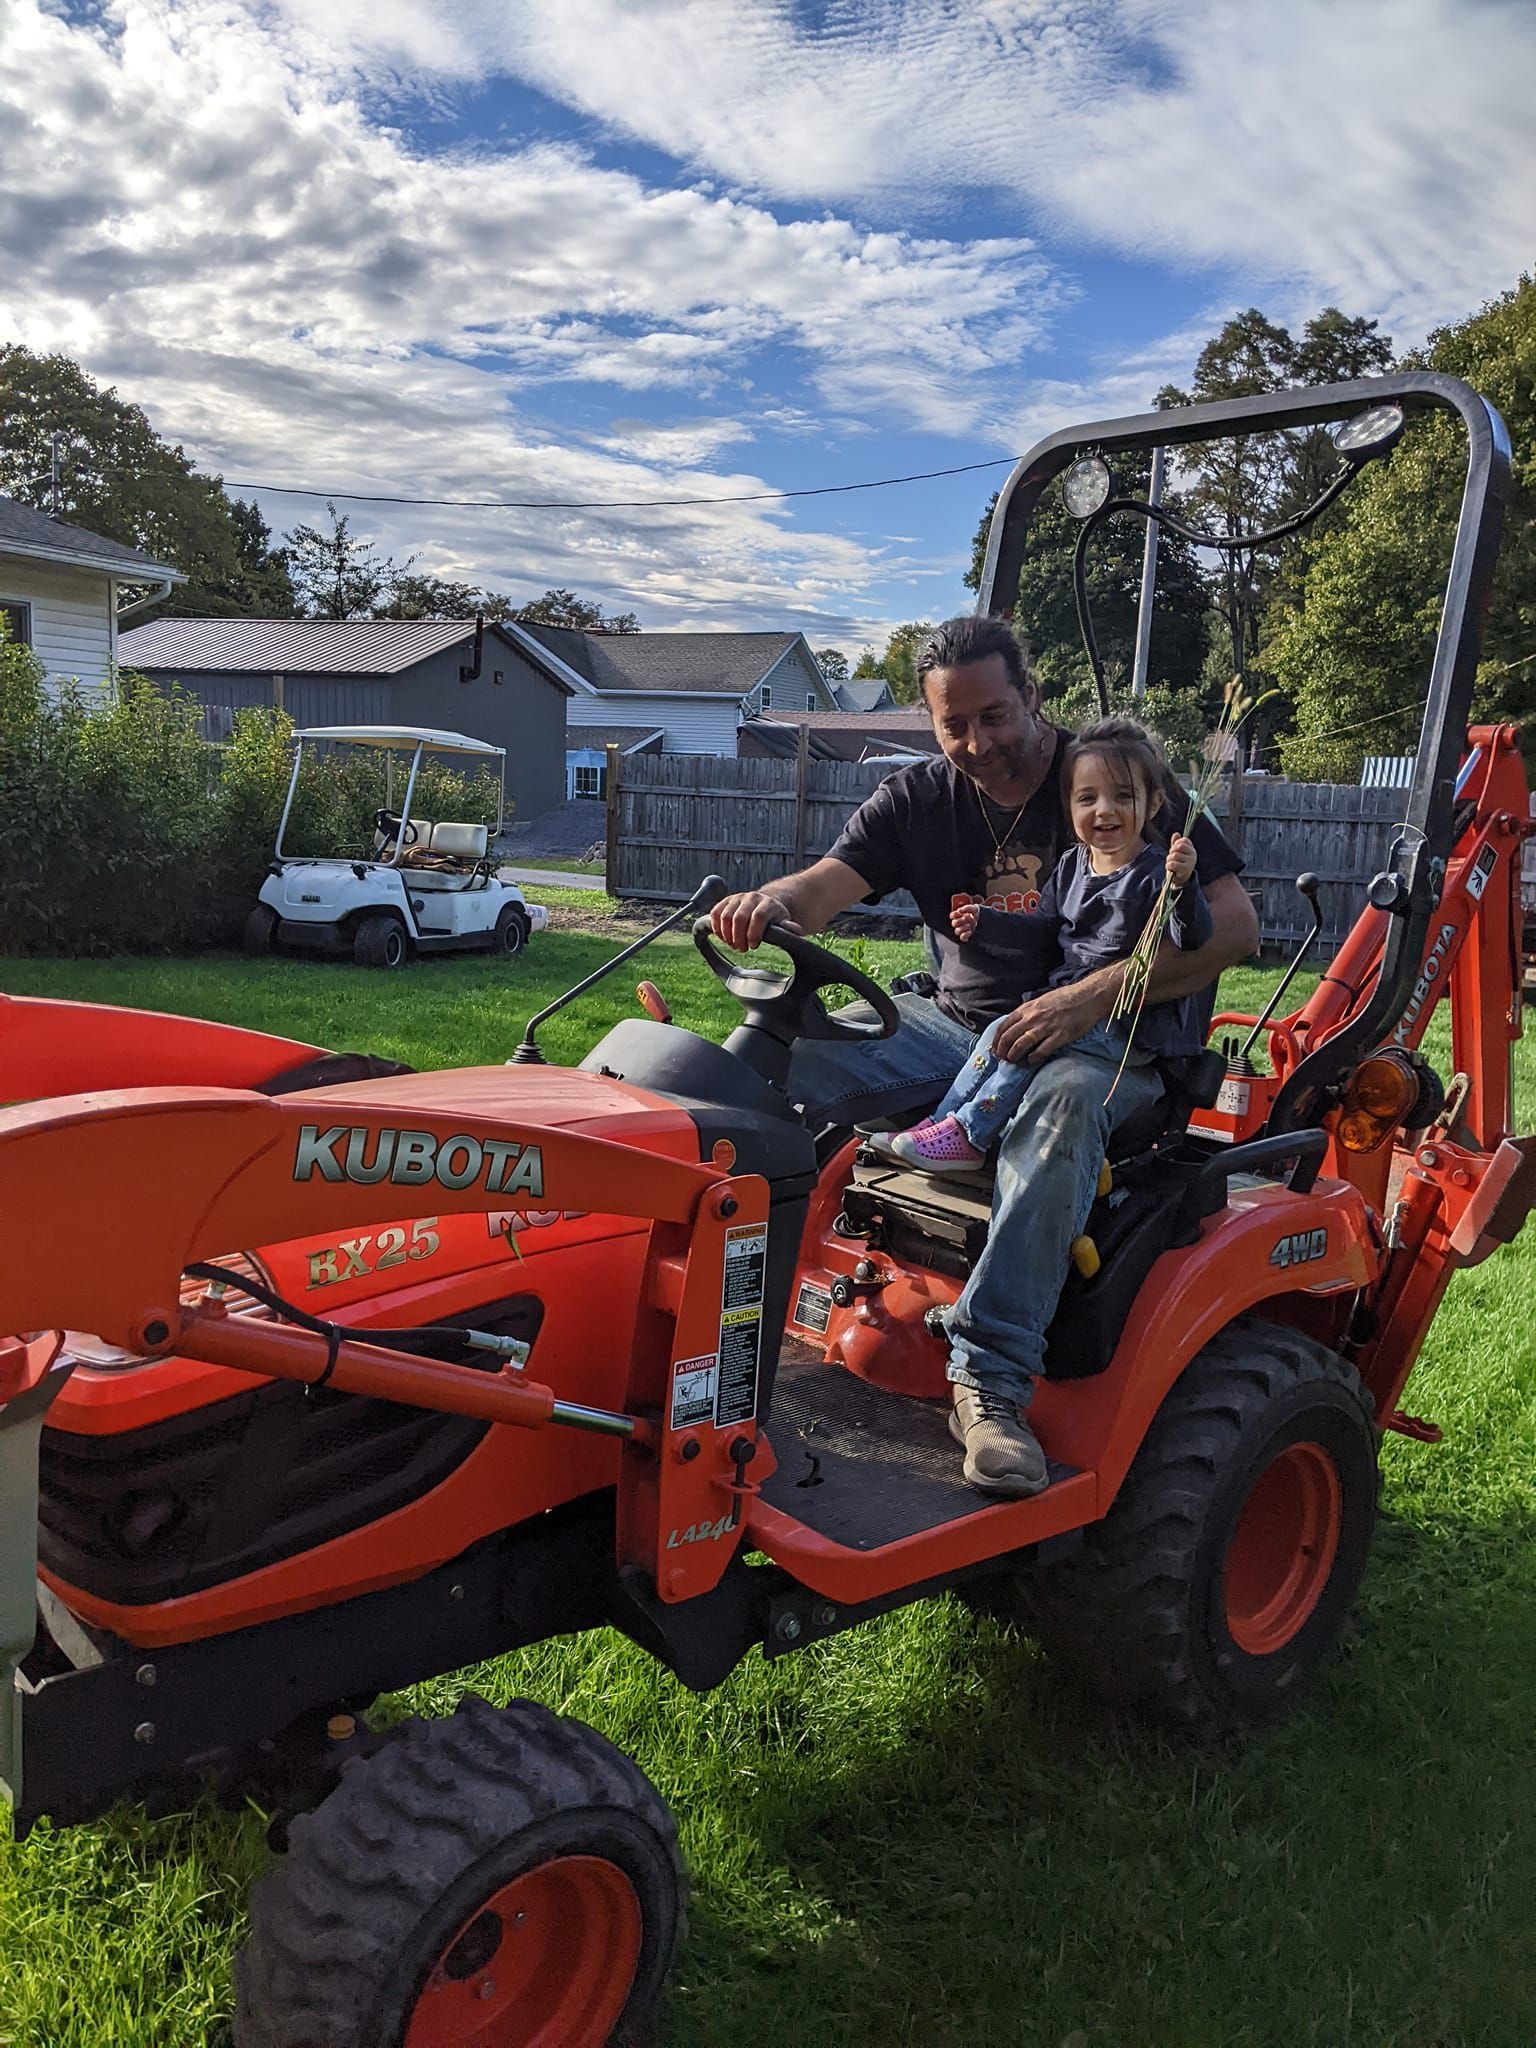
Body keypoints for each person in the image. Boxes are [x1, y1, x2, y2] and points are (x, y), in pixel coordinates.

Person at [710, 615, 1257, 1499]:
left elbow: (1236, 926)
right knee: (757, 1070)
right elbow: (818, 890)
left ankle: (991, 1380)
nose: (977, 742)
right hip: (955, 1025)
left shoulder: (1108, 777)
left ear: (1031, 697)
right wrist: (762, 904)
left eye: (995, 716)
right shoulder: (916, 799)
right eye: (953, 725)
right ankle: (733, 1323)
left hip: (1108, 1040)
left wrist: (1094, 994)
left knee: (1061, 1105)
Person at [886, 721, 1212, 1180]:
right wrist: (987, 923)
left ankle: (972, 1135)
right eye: (1088, 798)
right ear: (1070, 807)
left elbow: (1193, 937)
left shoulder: (1155, 872)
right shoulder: (1072, 865)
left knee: (1028, 1041)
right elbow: (1043, 931)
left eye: (1123, 796)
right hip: (1070, 1007)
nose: (1105, 810)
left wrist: (1185, 885)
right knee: (1000, 1030)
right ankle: (944, 1123)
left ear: (1153, 803)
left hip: (1129, 1026)